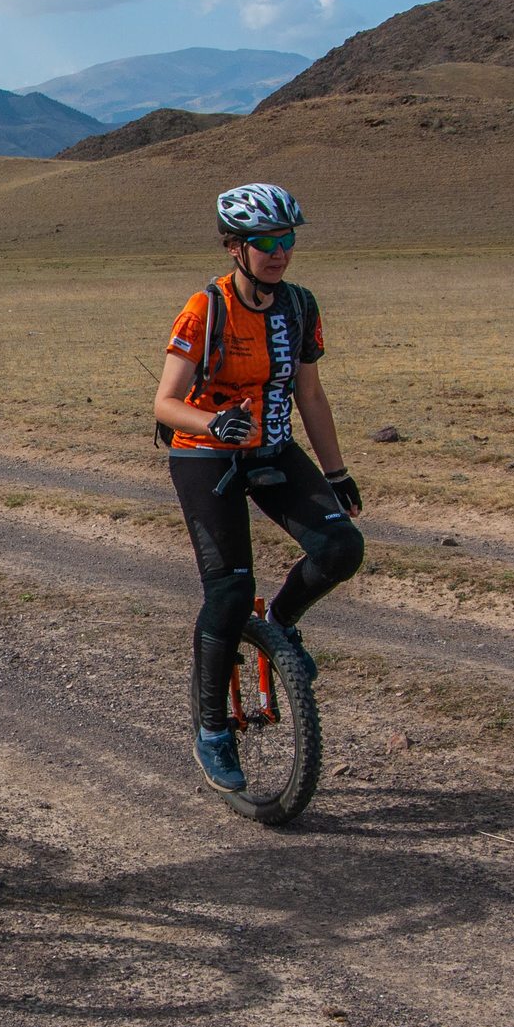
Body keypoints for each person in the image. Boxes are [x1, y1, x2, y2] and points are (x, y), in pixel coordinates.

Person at [152, 183, 364, 793]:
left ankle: (281, 624)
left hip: (271, 447)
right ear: (235, 248)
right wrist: (213, 422)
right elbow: (165, 404)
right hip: (206, 454)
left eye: (287, 239)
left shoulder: (299, 307)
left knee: (340, 548)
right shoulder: (205, 308)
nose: (280, 251)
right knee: (229, 590)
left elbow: (311, 395)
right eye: (266, 241)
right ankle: (213, 730)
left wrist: (336, 472)